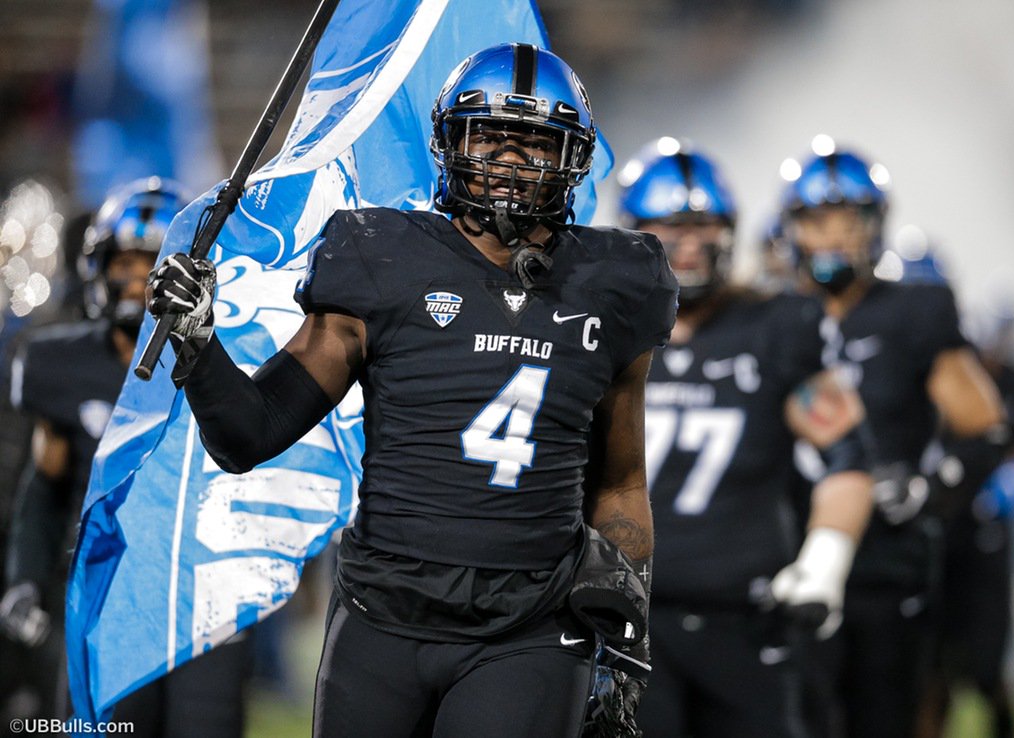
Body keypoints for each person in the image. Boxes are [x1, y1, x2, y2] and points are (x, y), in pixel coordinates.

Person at [147, 43, 676, 738]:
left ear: (570, 159)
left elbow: (619, 483)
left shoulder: (613, 283)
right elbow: (250, 433)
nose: (509, 161)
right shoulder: (381, 256)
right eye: (490, 135)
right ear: (450, 141)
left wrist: (625, 632)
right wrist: (197, 344)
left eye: (534, 144)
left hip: (528, 629)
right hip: (382, 620)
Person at [619, 139, 874, 738]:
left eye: (703, 226)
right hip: (623, 615)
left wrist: (823, 564)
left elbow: (848, 458)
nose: (689, 243)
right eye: (670, 227)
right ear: (634, 232)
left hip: (744, 615)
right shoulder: (605, 329)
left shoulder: (779, 326)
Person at [0, 178, 252, 737]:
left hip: (205, 597)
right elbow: (45, 487)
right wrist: (24, 578)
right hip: (107, 594)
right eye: (126, 262)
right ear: (98, 266)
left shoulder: (228, 363)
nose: (139, 279)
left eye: (155, 263)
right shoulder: (62, 364)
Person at [778, 144, 1007, 738]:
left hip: (882, 560)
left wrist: (930, 489)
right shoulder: (767, 316)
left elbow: (985, 427)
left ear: (876, 226)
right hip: (782, 555)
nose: (831, 236)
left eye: (848, 220)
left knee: (884, 720)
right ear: (790, 227)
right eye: (815, 220)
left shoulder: (913, 310)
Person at [916, 300, 1014, 738]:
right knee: (932, 664)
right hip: (939, 529)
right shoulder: (933, 378)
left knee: (987, 662)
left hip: (985, 535)